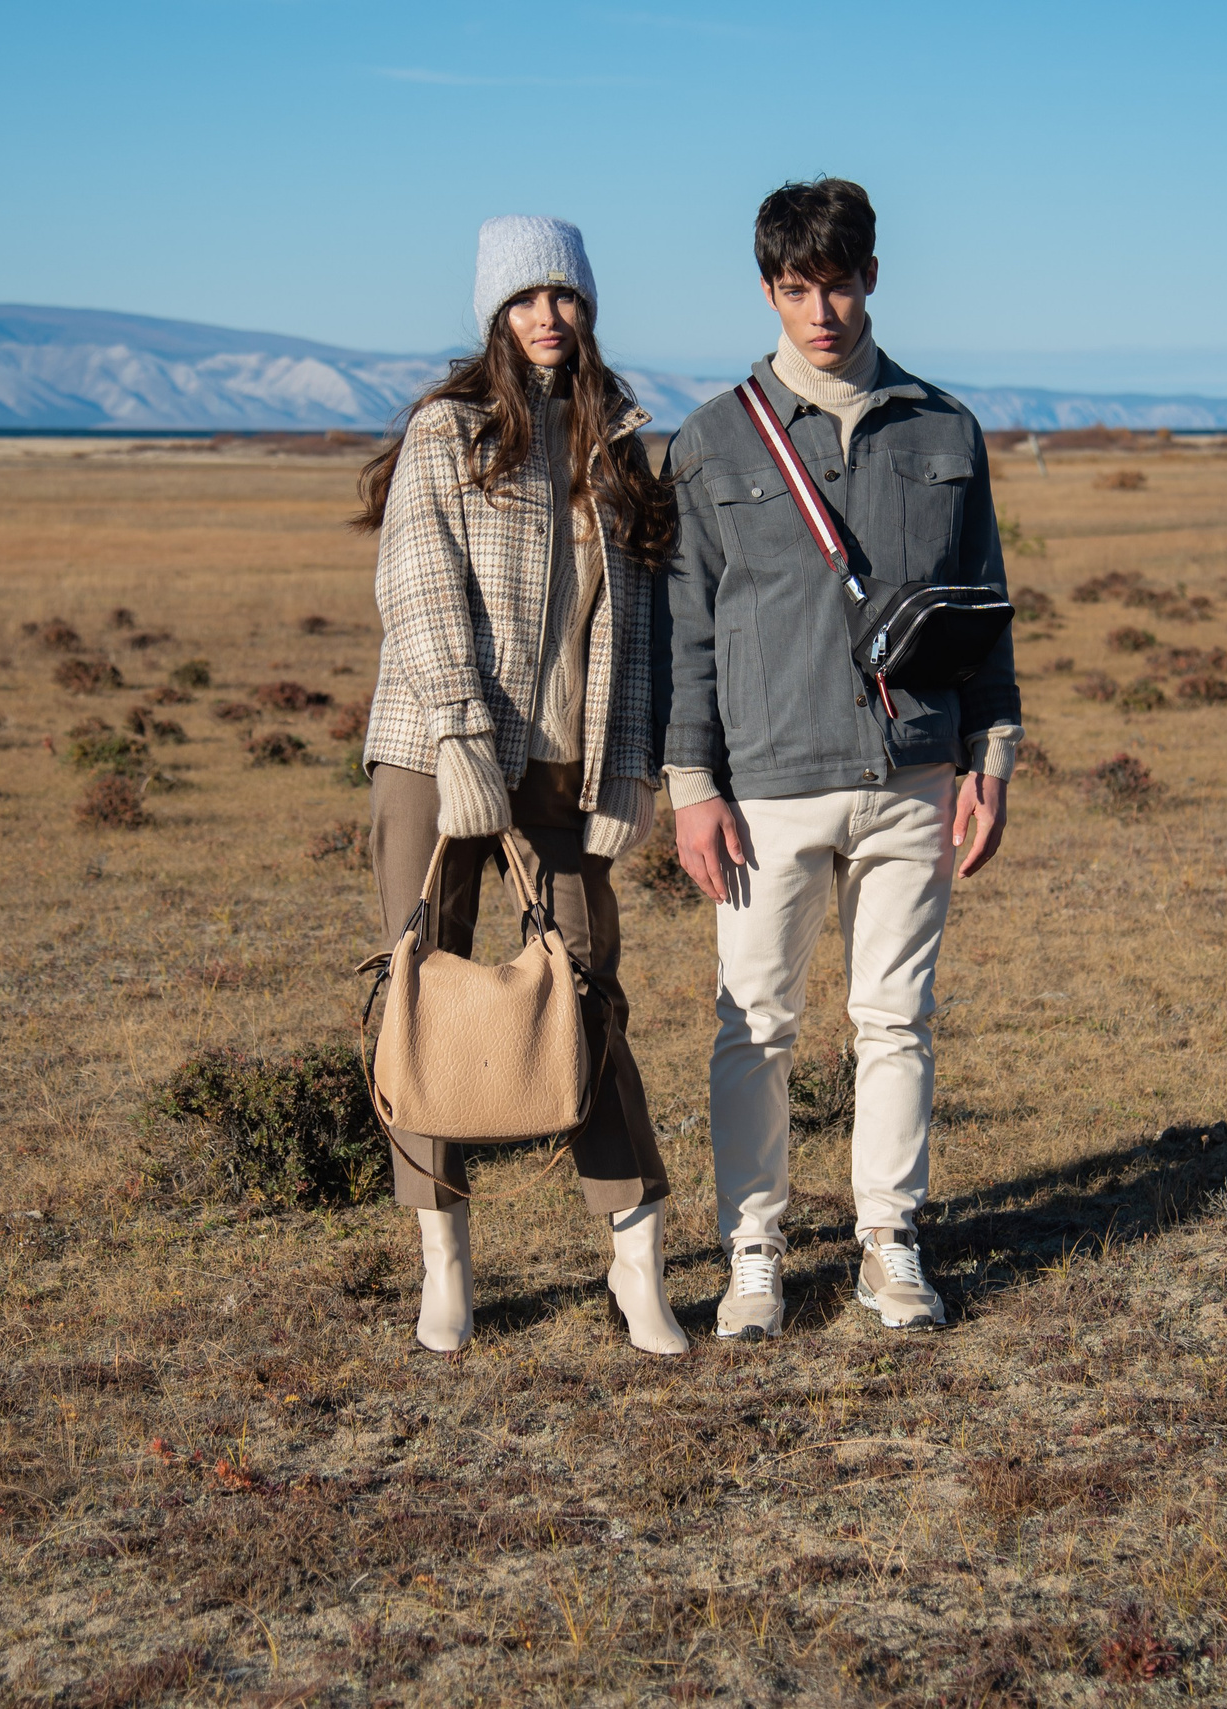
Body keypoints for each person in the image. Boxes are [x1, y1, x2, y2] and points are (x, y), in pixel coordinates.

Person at [658, 178, 1024, 1339]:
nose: (821, 309)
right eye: (796, 287)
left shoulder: (942, 426)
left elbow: (987, 608)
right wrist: (690, 787)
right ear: (768, 288)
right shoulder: (712, 439)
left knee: (896, 1017)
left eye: (839, 281)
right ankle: (753, 1251)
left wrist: (992, 754)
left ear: (873, 276)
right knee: (754, 1024)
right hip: (765, 787)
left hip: (914, 771)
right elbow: (686, 632)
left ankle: (887, 1243)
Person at [354, 215, 685, 1357]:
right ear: (495, 314)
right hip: (431, 756)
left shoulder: (616, 447)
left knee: (587, 990)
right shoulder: (448, 433)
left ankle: (635, 1263)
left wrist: (632, 762)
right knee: (419, 989)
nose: (549, 316)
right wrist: (453, 736)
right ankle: (442, 1262)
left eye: (566, 296)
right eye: (526, 298)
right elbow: (417, 579)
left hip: (567, 763)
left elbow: (640, 624)